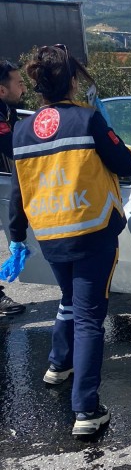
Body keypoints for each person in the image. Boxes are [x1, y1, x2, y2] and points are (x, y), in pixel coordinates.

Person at [9, 45, 131, 435]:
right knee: (89, 317)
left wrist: (16, 235)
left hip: (50, 234)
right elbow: (125, 165)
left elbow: (18, 188)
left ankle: (57, 366)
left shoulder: (22, 129)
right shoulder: (87, 119)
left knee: (69, 301)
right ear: (72, 80)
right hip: (92, 230)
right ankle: (87, 410)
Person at [0, 60, 27, 316]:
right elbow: (15, 147)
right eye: (19, 84)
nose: (24, 89)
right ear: (1, 90)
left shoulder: (6, 111)